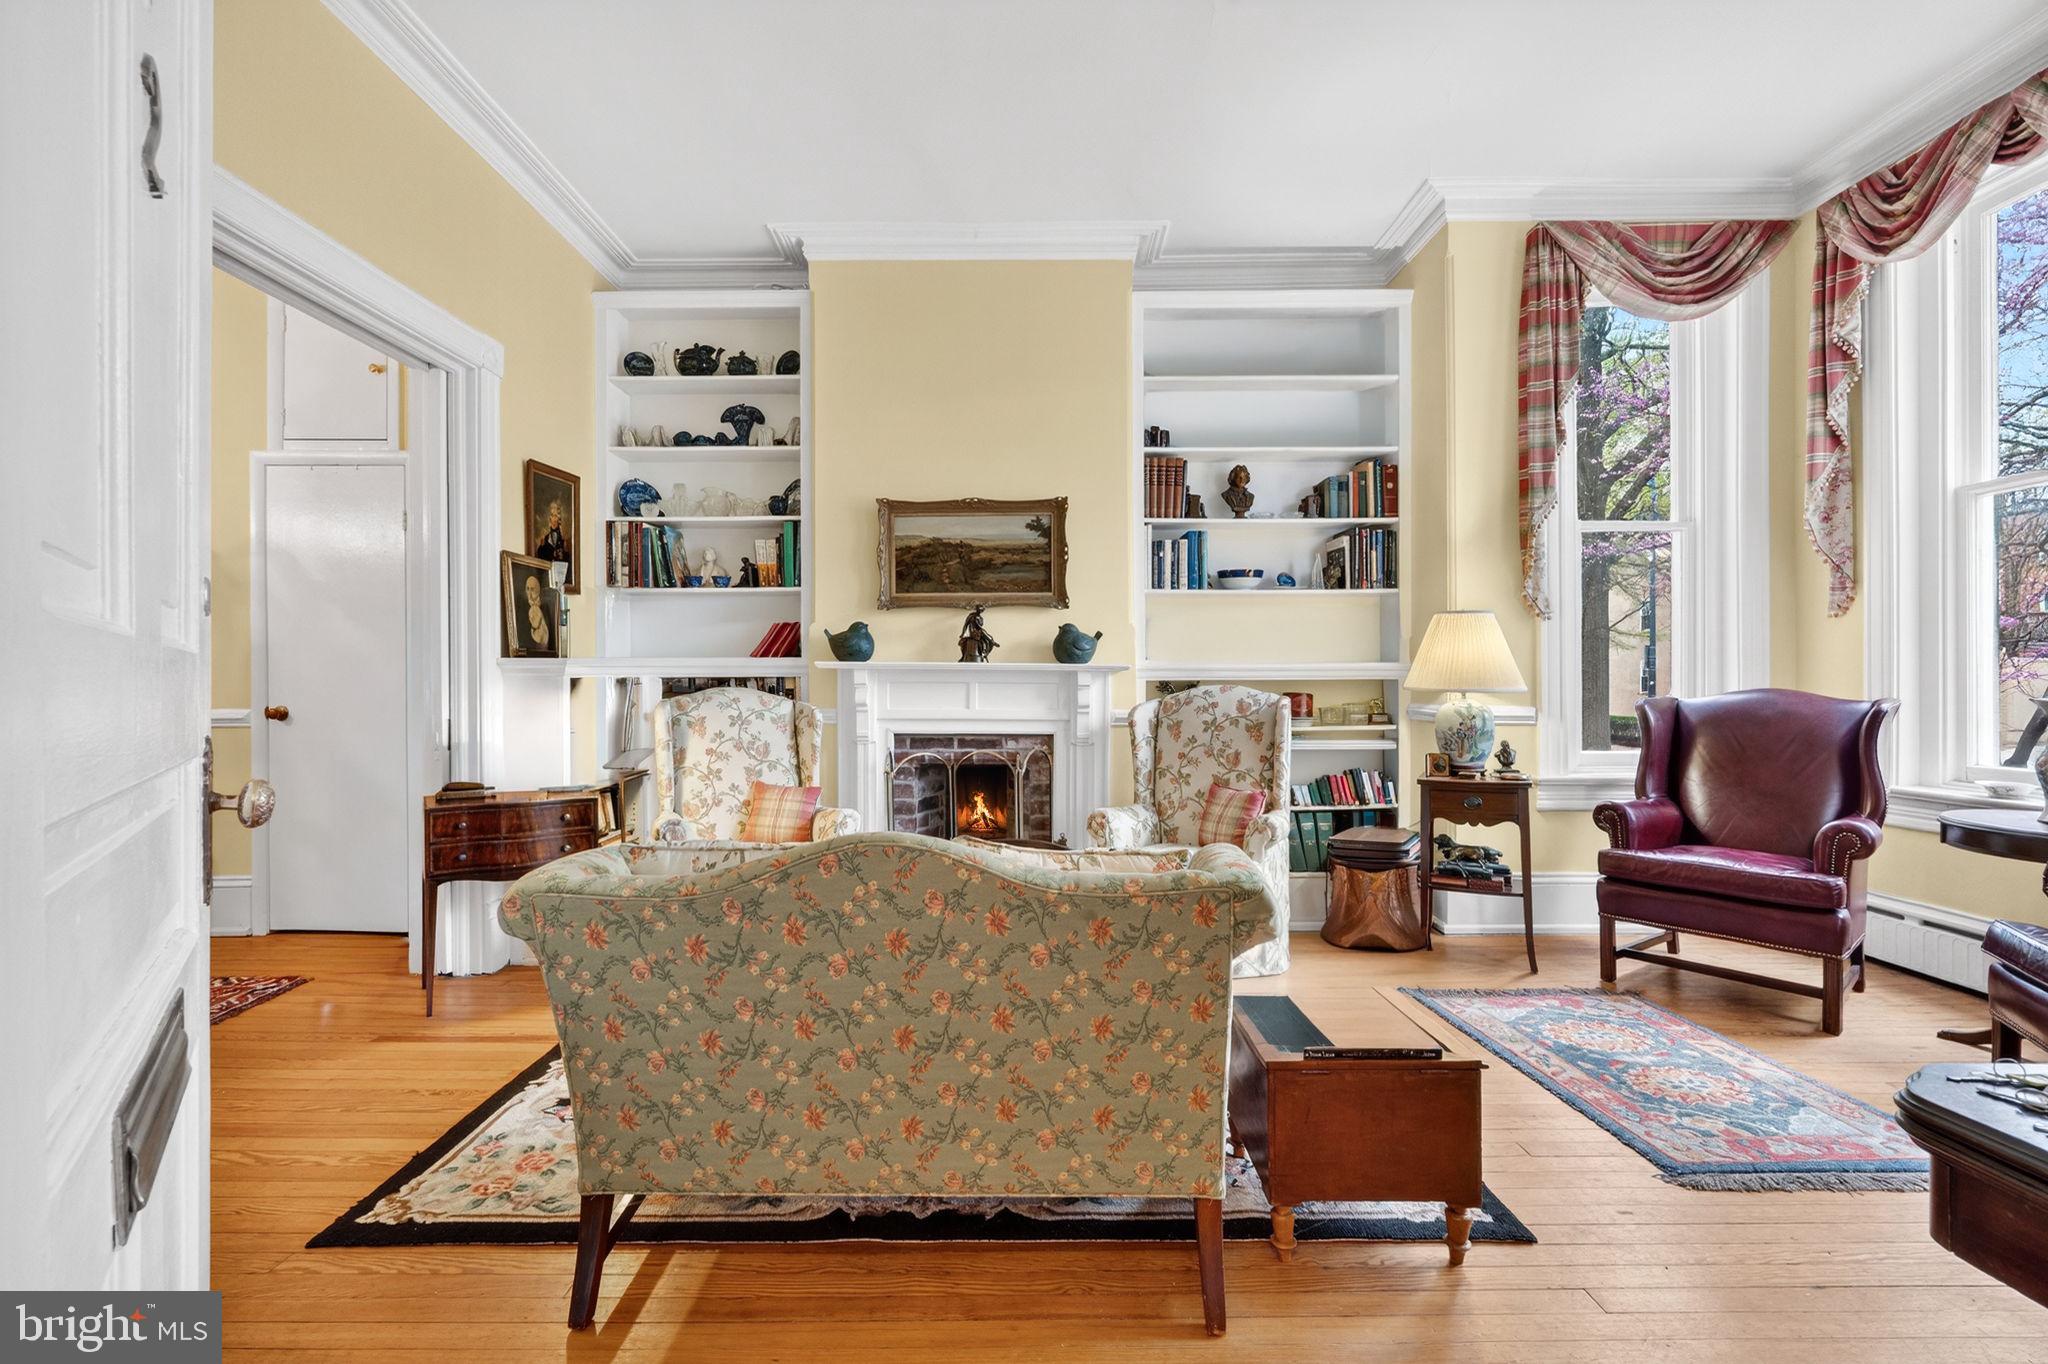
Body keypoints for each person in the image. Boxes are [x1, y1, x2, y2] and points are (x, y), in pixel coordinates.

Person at [523, 573, 551, 651]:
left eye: (532, 589)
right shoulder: (524, 608)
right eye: (527, 589)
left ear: (538, 590)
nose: (529, 593)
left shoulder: (545, 606)